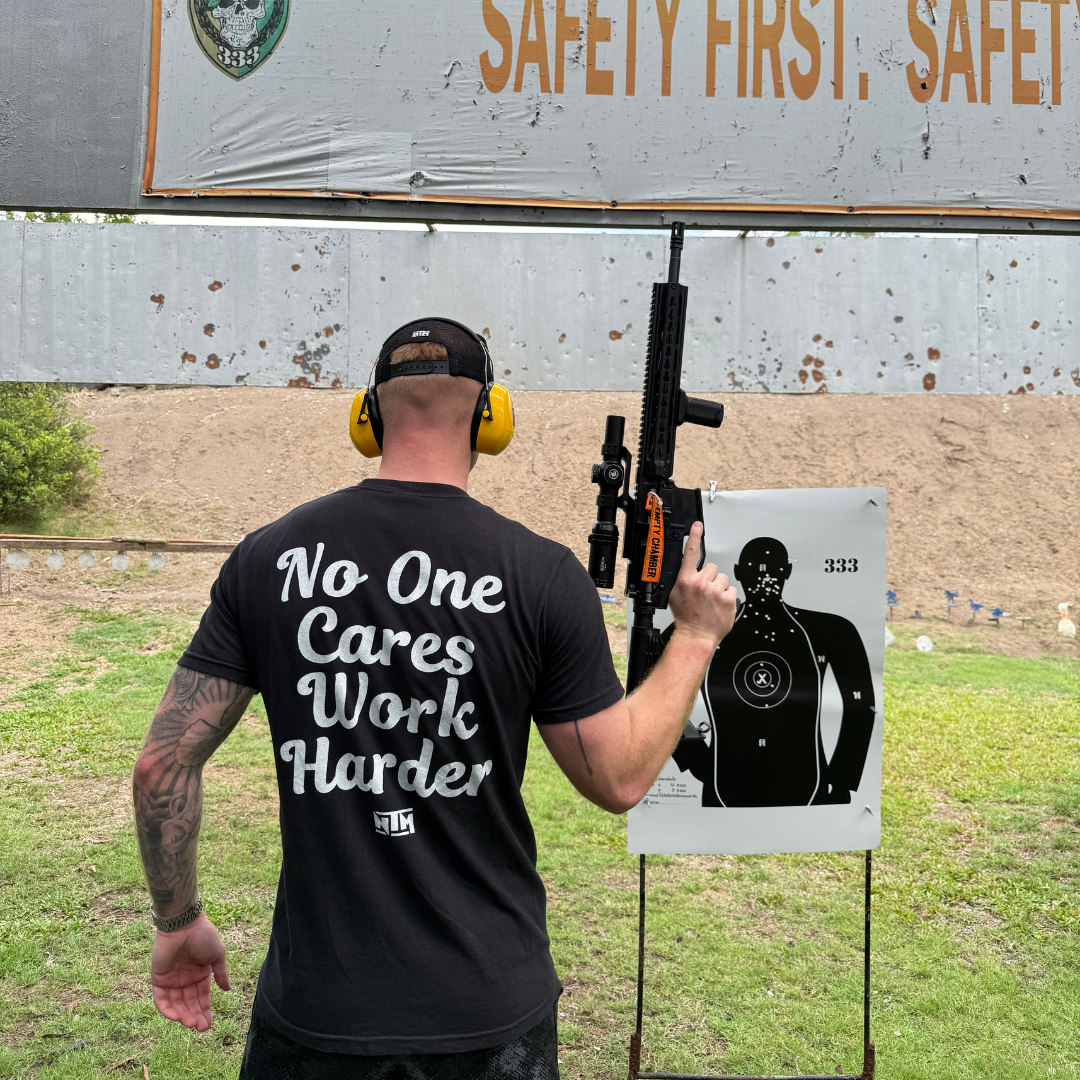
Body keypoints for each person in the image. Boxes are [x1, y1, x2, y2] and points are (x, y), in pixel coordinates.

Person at [132, 317, 737, 1079]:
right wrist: (695, 636)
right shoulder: (542, 575)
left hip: (318, 1011)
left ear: (368, 415)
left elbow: (161, 768)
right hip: (487, 1014)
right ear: (492, 418)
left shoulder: (267, 558)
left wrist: (177, 921)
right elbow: (618, 778)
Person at [673, 536, 874, 807]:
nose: (764, 575)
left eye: (772, 567)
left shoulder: (831, 630)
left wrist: (841, 778)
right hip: (724, 782)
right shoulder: (706, 627)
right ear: (740, 571)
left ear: (787, 571)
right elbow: (648, 679)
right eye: (756, 566)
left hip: (808, 782)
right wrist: (693, 757)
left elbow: (860, 705)